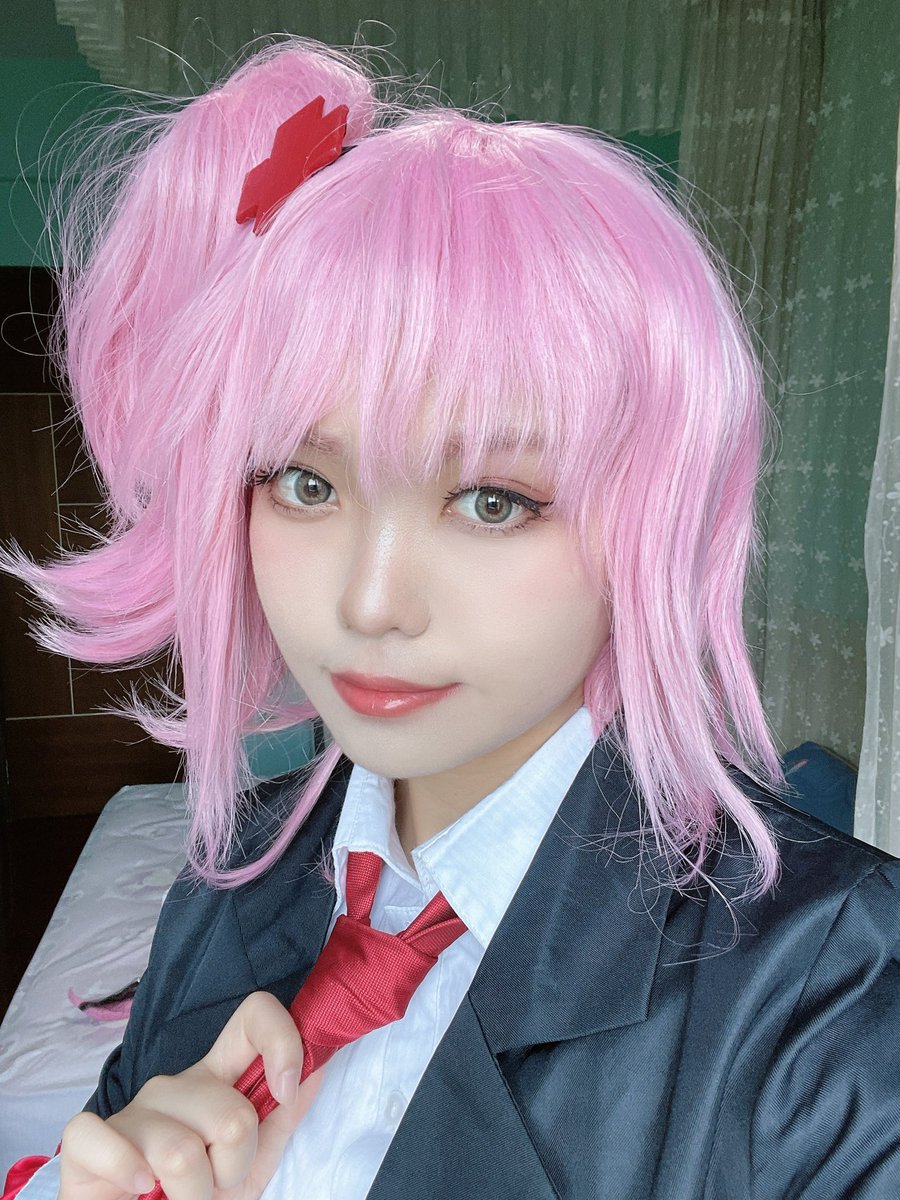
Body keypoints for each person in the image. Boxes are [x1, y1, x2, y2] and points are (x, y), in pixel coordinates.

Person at [3, 35, 899, 1200]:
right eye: (306, 484)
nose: (370, 604)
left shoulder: (838, 990)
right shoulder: (233, 865)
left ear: (656, 518)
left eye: (492, 501)